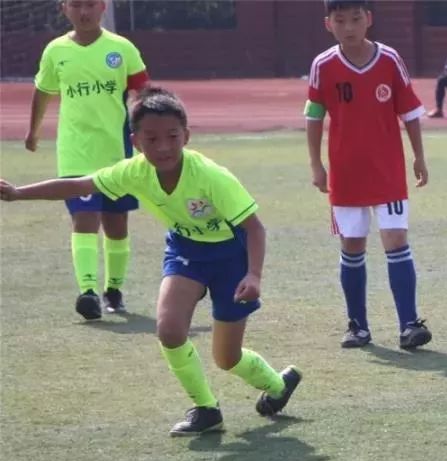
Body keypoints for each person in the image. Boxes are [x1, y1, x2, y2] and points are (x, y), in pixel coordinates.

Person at [1, 87, 303, 437]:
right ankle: (207, 410)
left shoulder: (210, 175)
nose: (162, 147)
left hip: (230, 257)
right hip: (186, 252)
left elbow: (254, 227)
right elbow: (79, 185)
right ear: (136, 140)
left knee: (227, 358)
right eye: (151, 138)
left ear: (186, 136)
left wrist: (253, 273)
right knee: (170, 330)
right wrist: (19, 193)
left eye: (172, 137)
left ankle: (278, 385)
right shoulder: (133, 171)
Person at [306, 0, 432, 350]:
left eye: (356, 19)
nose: (349, 27)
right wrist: (316, 165)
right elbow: (314, 118)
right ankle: (357, 326)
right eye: (341, 20)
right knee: (353, 246)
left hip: (387, 171)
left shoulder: (389, 59)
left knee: (397, 242)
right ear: (328, 23)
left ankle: (409, 324)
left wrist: (419, 156)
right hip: (346, 175)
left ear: (369, 20)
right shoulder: (323, 65)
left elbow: (409, 112)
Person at [26, 0, 149, 319]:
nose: (84, 11)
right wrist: (33, 132)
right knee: (85, 219)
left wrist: (145, 130)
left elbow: (141, 92)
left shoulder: (122, 48)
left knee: (116, 224)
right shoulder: (55, 51)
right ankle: (88, 292)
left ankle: (114, 291)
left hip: (117, 152)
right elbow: (42, 91)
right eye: (76, 5)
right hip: (76, 153)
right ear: (64, 8)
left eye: (90, 4)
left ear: (103, 7)